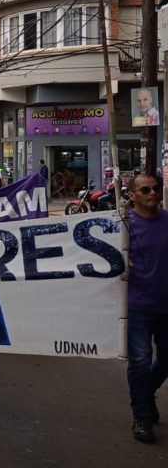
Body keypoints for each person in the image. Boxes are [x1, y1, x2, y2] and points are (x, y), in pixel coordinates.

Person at [125, 173, 168, 443]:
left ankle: (146, 392)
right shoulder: (123, 226)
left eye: (156, 188)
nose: (153, 193)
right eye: (145, 190)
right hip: (138, 306)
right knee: (139, 362)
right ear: (133, 195)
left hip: (166, 304)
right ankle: (141, 416)